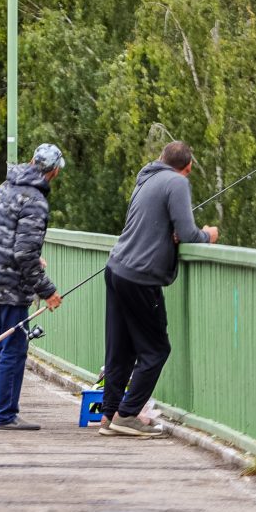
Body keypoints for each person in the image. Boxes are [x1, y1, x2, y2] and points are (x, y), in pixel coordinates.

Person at [101, 141, 218, 437]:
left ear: (161, 158)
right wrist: (208, 235)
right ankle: (126, 415)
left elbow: (157, 225)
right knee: (156, 349)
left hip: (116, 267)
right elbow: (190, 234)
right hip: (141, 276)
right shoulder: (177, 182)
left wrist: (172, 234)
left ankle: (109, 415)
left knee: (121, 349)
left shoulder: (147, 177)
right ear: (187, 168)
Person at [0, 144, 65, 431]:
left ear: (31, 161)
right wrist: (47, 290)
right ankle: (5, 415)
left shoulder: (6, 187)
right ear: (55, 171)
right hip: (12, 285)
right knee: (13, 349)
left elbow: (3, 235)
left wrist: (32, 257)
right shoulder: (35, 200)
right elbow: (23, 253)